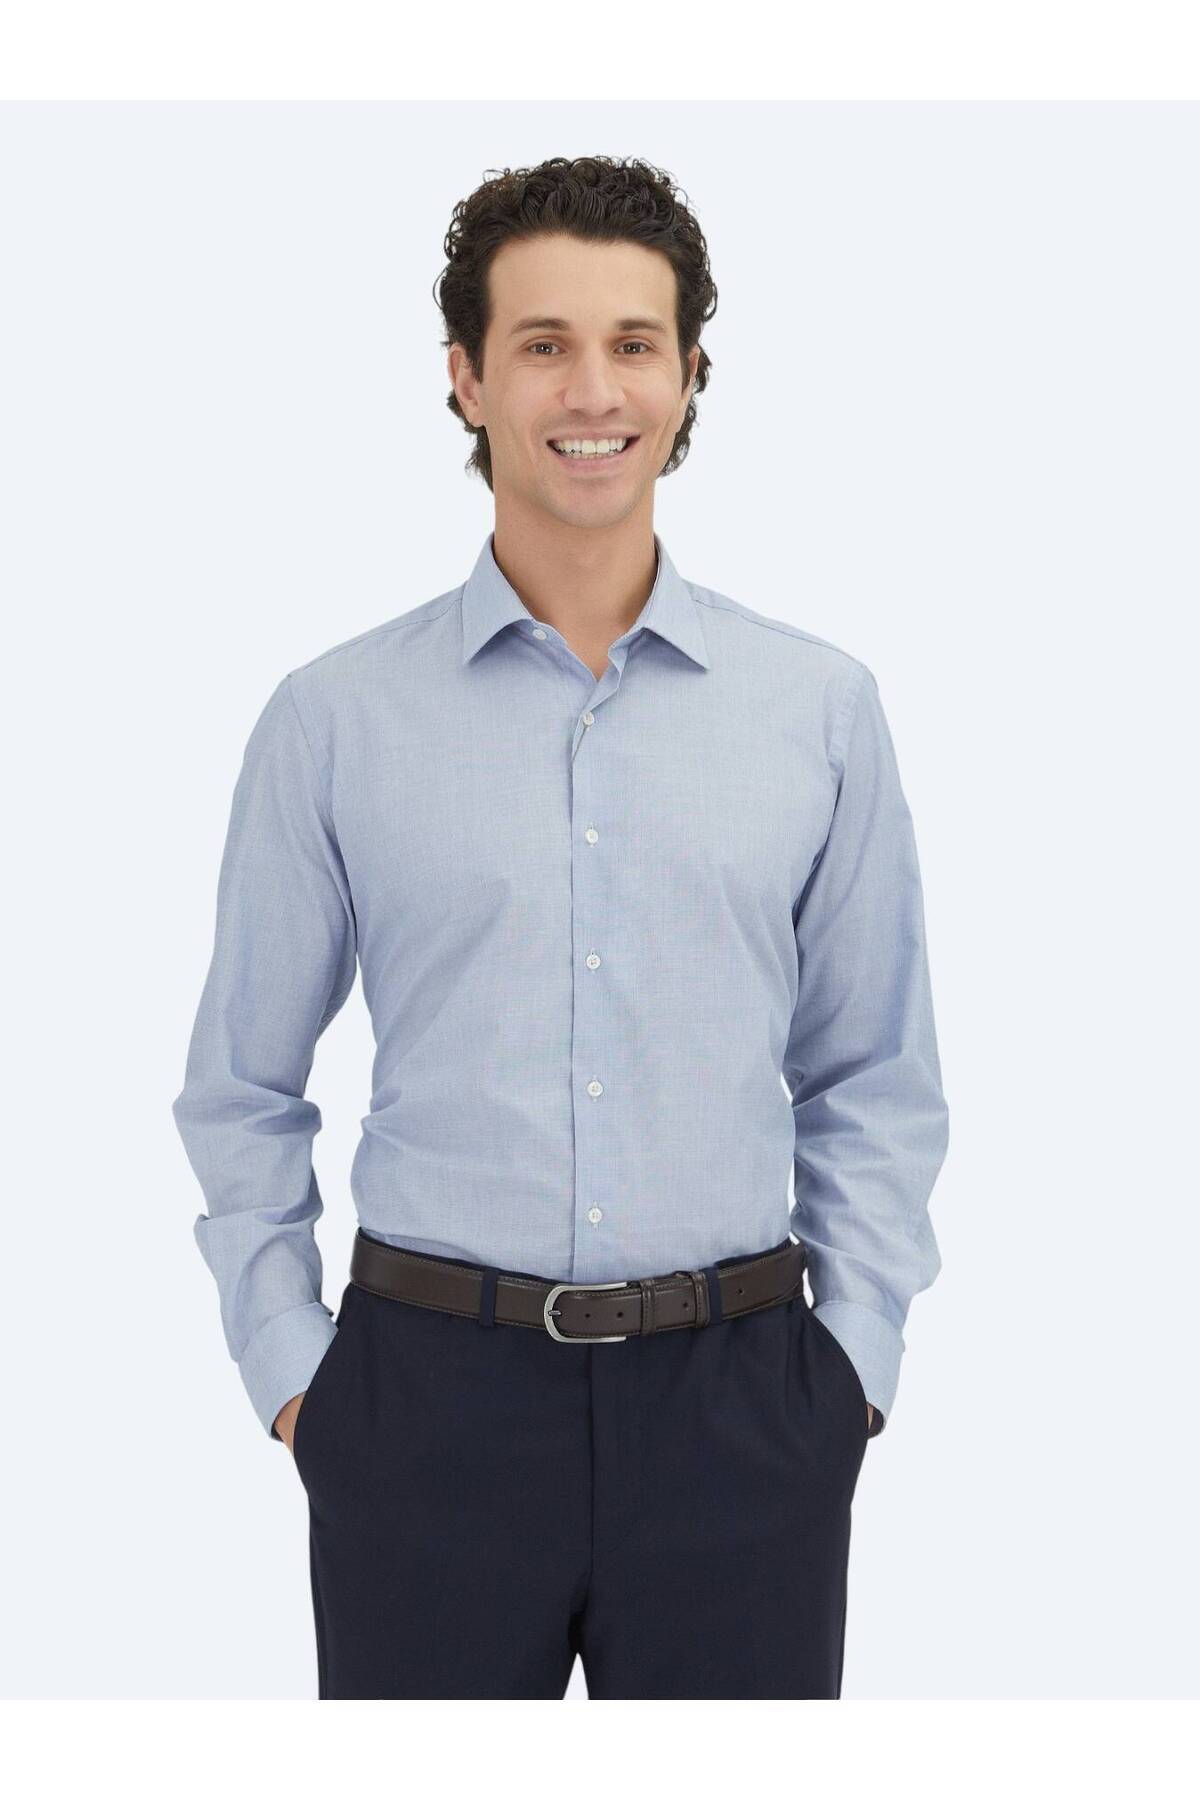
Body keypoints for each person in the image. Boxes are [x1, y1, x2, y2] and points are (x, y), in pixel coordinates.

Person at [171, 153, 949, 1700]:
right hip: (422, 1414)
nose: (592, 391)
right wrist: (297, 1377)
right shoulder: (333, 721)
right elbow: (242, 1087)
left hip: (746, 1411)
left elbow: (874, 1072)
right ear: (466, 377)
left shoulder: (820, 711)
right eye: (543, 344)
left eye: (632, 343)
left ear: (690, 372)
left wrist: (849, 1366)